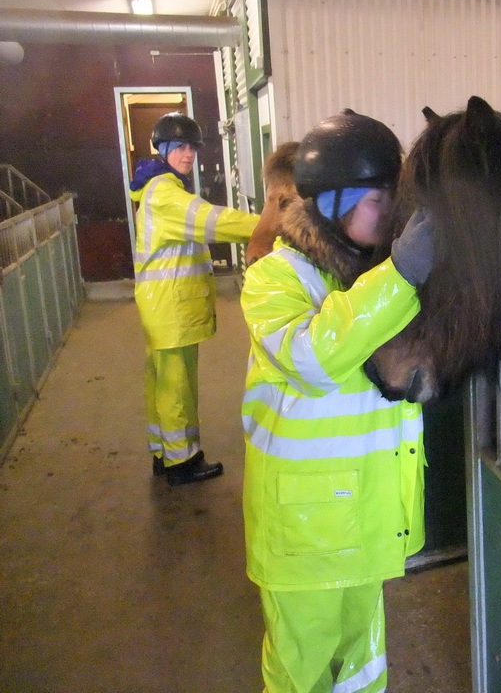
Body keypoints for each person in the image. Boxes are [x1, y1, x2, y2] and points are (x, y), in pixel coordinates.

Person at [239, 110, 434, 693]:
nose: (393, 214)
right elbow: (314, 360)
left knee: (363, 665)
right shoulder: (277, 278)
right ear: (332, 202)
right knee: (302, 669)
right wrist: (401, 275)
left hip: (369, 522)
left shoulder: (374, 274)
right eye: (380, 199)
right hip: (306, 532)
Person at [130, 111, 260, 486]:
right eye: (181, 147)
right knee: (177, 387)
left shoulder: (157, 187)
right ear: (165, 149)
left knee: (160, 382)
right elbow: (213, 221)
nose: (189, 154)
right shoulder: (166, 194)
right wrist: (269, 226)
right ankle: (183, 463)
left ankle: (163, 454)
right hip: (171, 306)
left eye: (192, 147)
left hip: (161, 304)